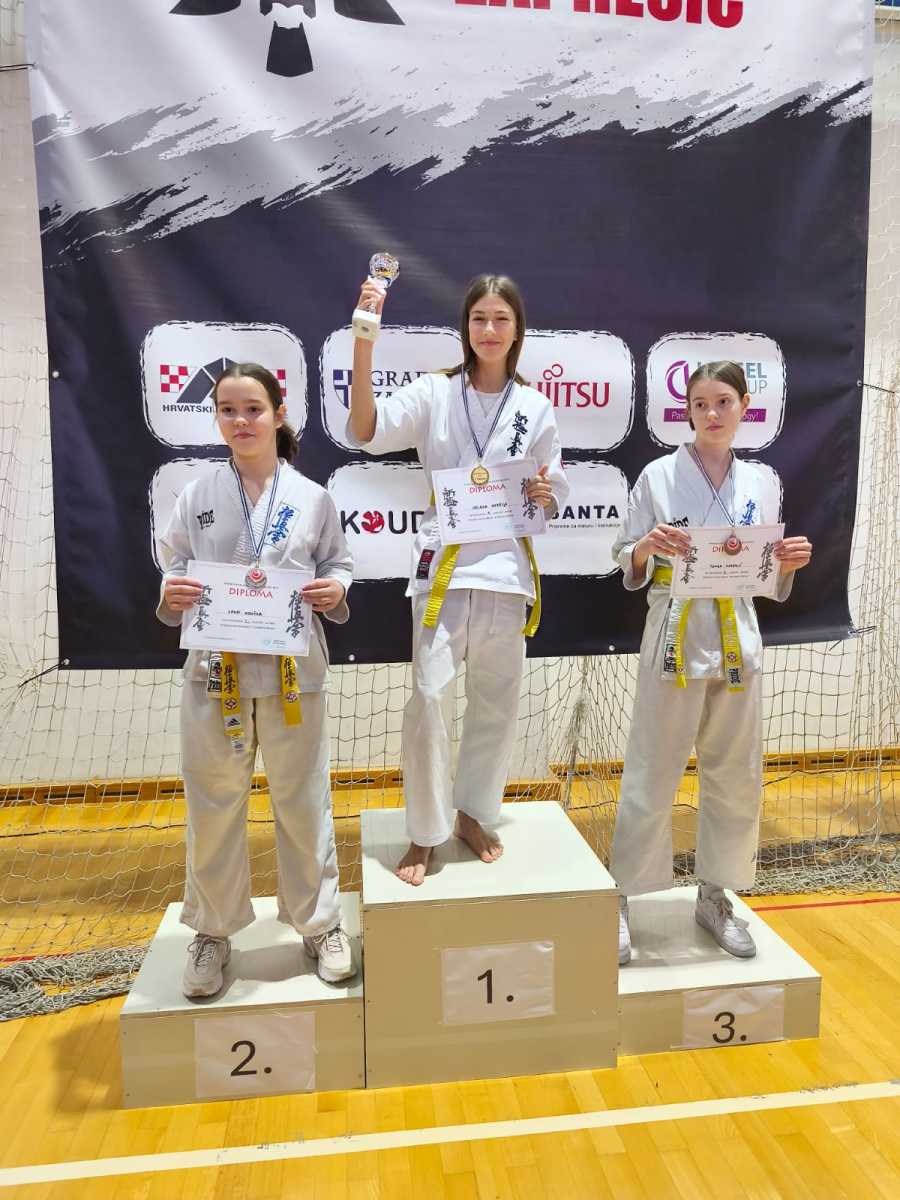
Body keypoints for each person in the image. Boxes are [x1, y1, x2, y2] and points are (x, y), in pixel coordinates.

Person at [348, 274, 568, 885]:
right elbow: (366, 429)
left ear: (517, 330)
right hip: (442, 569)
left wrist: (545, 494)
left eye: (501, 319)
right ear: (464, 327)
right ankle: (425, 831)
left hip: (505, 571)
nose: (489, 330)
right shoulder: (434, 393)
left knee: (496, 704)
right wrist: (364, 342)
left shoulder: (535, 406)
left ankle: (472, 813)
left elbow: (552, 489)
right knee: (428, 698)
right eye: (478, 319)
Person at [157, 362, 356, 997]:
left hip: (292, 671)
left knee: (303, 797)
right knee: (214, 801)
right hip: (216, 671)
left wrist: (335, 589)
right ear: (216, 417)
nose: (240, 421)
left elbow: (338, 563)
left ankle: (319, 923)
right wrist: (173, 591)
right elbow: (173, 565)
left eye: (252, 409)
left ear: (278, 414)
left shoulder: (312, 496)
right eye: (227, 410)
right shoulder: (197, 494)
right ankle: (212, 931)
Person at [610, 361, 813, 963]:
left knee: (735, 773)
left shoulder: (761, 482)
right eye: (700, 404)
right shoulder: (658, 475)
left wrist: (786, 563)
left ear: (745, 406)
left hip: (737, 640)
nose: (712, 413)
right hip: (674, 632)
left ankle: (715, 895)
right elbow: (624, 556)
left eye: (724, 401)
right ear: (688, 411)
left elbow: (765, 572)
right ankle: (622, 897)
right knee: (652, 768)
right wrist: (645, 546)